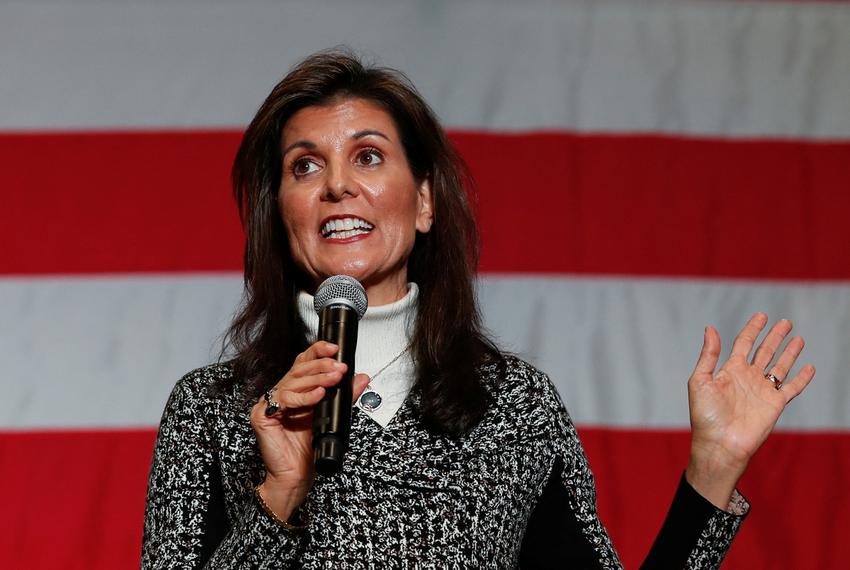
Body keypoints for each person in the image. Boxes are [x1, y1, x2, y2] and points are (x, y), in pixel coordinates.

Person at [141, 50, 815, 569]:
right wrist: (279, 496)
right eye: (305, 166)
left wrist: (711, 471)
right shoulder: (211, 410)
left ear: (424, 203)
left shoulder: (516, 406)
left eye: (367, 156)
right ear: (281, 214)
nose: (337, 184)